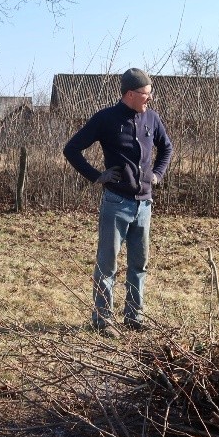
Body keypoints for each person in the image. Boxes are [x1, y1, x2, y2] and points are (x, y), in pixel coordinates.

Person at [63, 67, 175, 337]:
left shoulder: (152, 118)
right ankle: (103, 321)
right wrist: (96, 176)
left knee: (139, 264)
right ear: (130, 94)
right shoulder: (106, 119)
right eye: (146, 94)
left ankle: (134, 317)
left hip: (144, 205)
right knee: (107, 265)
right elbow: (71, 149)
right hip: (116, 203)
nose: (150, 98)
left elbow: (167, 148)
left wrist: (157, 174)